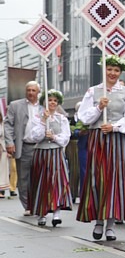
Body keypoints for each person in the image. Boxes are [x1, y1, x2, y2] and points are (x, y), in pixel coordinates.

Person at [76, 55, 125, 241]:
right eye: (109, 69)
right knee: (98, 179)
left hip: (119, 139)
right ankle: (98, 221)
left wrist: (115, 126)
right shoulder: (93, 91)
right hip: (98, 139)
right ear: (104, 70)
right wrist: (98, 108)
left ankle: (111, 224)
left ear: (120, 73)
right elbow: (83, 117)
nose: (112, 73)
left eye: (116, 70)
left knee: (116, 180)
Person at [28, 89, 72, 226]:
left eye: (55, 101)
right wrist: (43, 122)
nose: (52, 103)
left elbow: (65, 138)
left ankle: (57, 212)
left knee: (57, 182)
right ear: (44, 102)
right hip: (41, 154)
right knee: (41, 182)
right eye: (49, 100)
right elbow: (33, 137)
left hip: (56, 153)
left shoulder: (62, 118)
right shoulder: (36, 117)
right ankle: (41, 213)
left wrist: (54, 137)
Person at [4, 81, 41, 214]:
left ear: (38, 92)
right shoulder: (15, 105)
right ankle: (28, 206)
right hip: (23, 146)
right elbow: (8, 125)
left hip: (41, 147)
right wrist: (9, 142)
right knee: (24, 178)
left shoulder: (45, 105)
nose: (31, 93)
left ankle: (39, 204)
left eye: (33, 90)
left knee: (39, 177)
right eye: (28, 90)